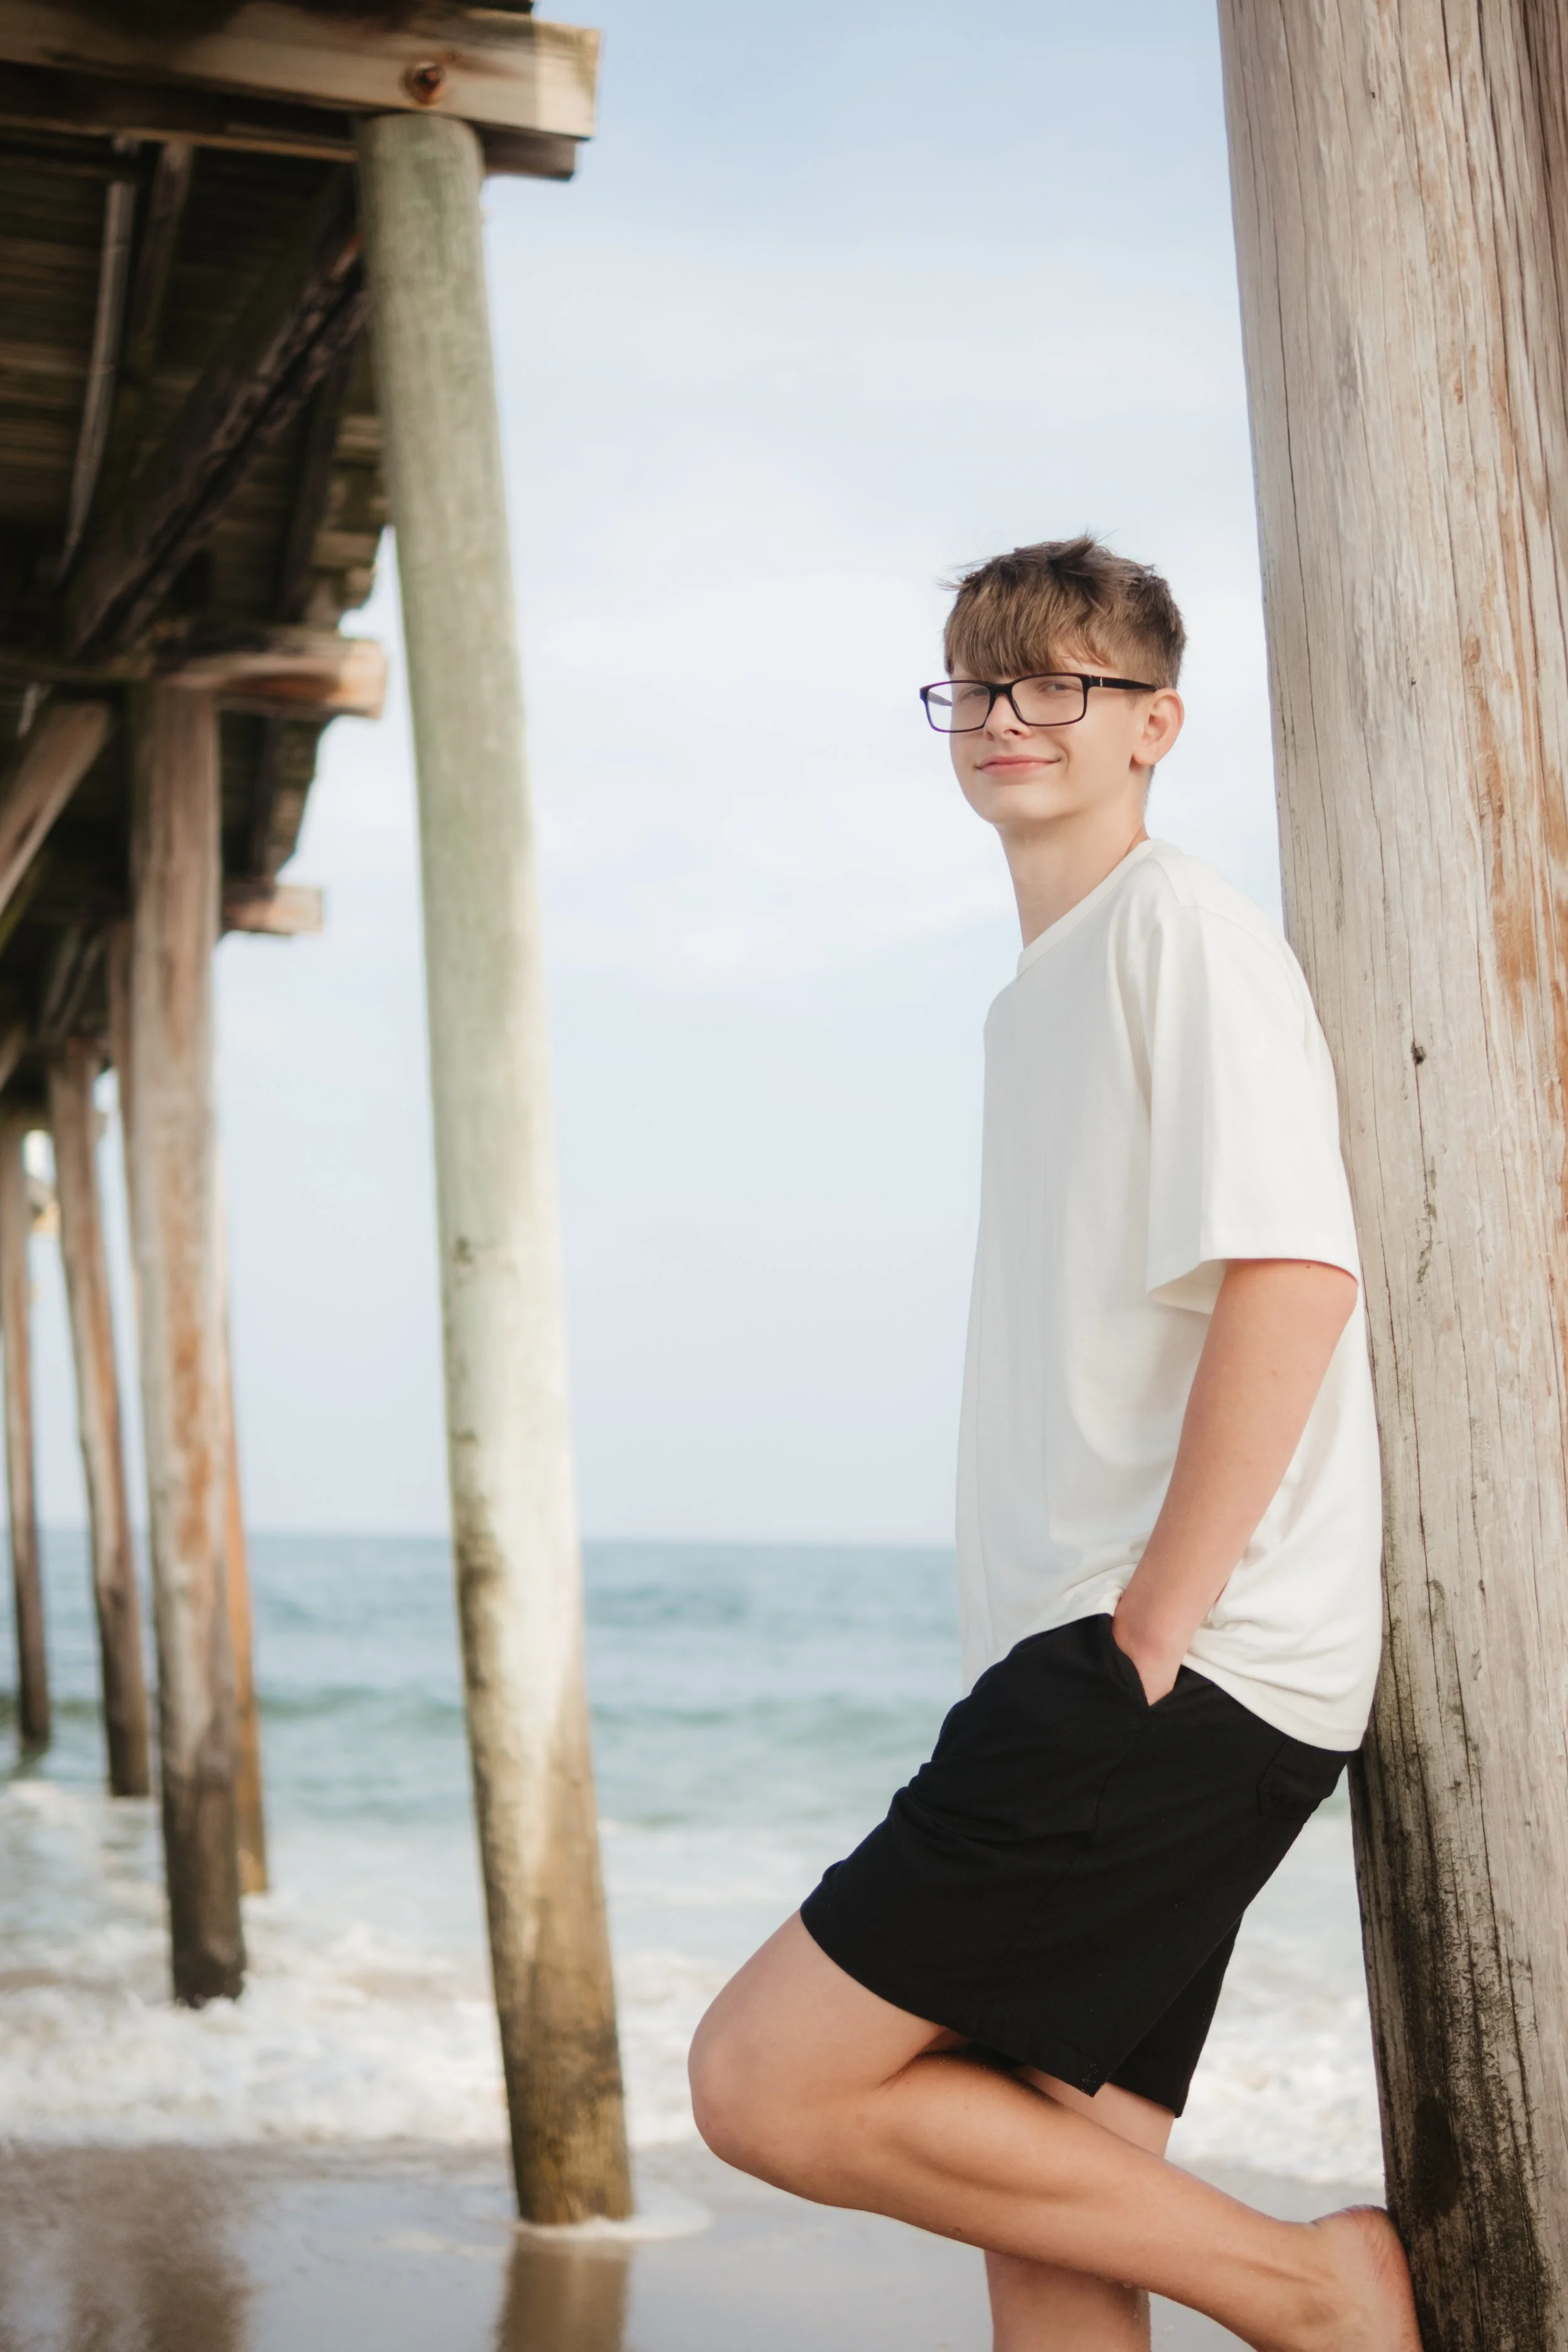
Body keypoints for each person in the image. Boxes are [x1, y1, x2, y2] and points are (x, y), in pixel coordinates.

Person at [687, 537, 1419, 2350]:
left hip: (1174, 1666)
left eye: (1056, 685)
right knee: (1052, 2213)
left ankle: (1317, 2291)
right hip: (1119, 1660)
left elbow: (1292, 1276)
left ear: (1150, 723)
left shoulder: (1175, 931)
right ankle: (1302, 2290)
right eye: (976, 684)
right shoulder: (1045, 983)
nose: (1007, 717)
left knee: (764, 2081)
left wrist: (1147, 1629)